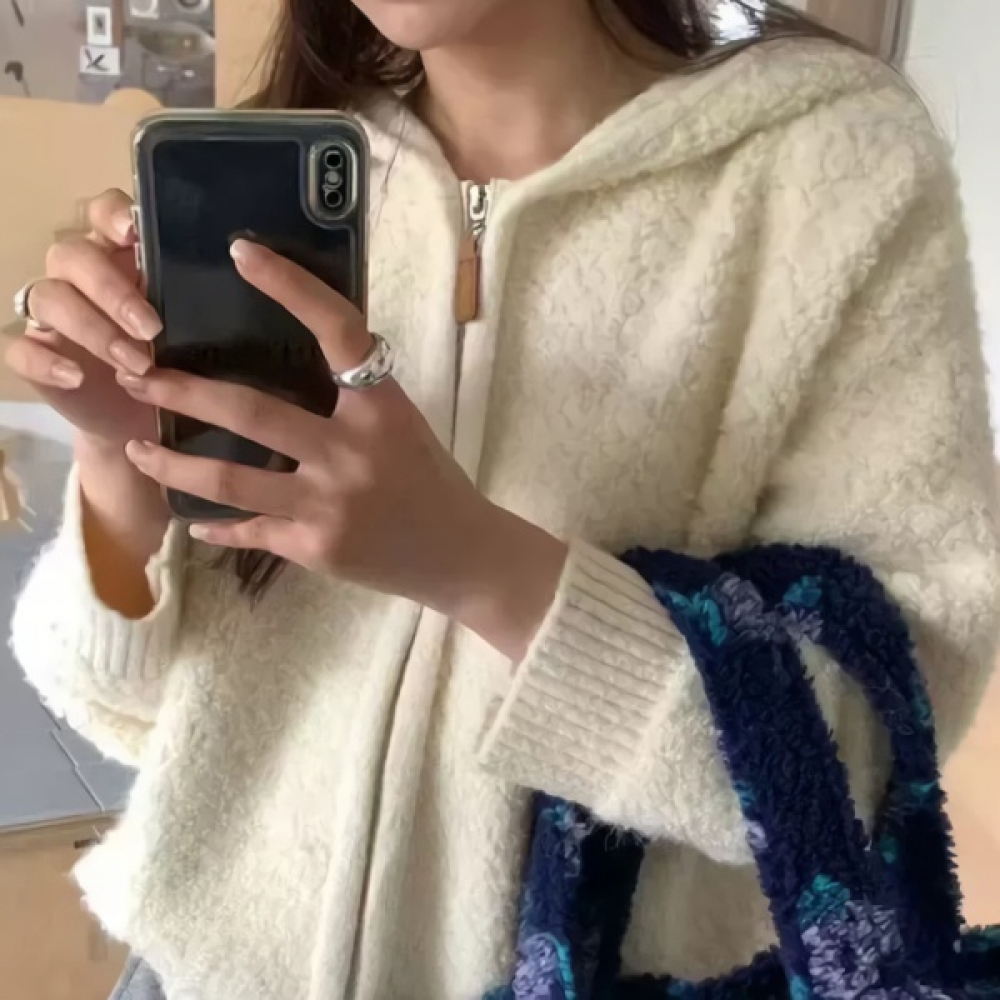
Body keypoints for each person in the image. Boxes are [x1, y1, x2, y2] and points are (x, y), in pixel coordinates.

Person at [7, 2, 999, 999]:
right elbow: (121, 709)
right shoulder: (282, 172)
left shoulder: (830, 169)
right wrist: (119, 459)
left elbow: (866, 761)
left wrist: (478, 565)